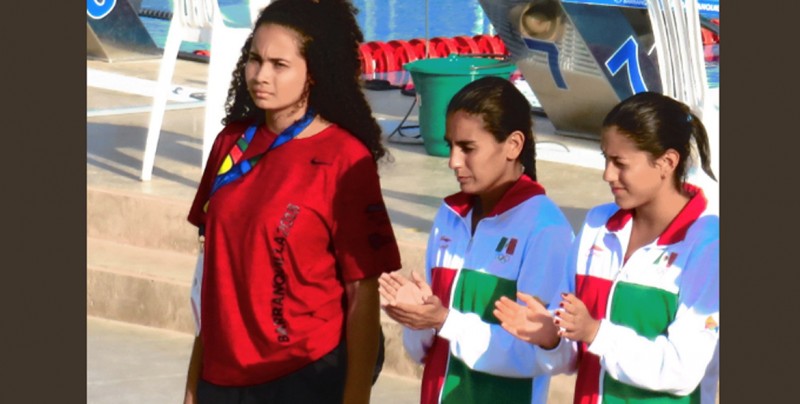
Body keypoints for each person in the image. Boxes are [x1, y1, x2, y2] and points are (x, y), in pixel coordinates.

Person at [182, 1, 402, 403]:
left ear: (313, 71)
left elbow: (361, 293)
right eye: (255, 60)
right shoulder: (231, 144)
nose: (261, 75)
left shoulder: (344, 160)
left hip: (303, 375)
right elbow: (210, 281)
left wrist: (355, 397)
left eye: (279, 65)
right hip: (223, 375)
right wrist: (194, 386)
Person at [493, 91, 719, 403]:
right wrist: (549, 338)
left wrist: (596, 333)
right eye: (605, 159)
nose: (607, 174)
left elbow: (682, 371)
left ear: (667, 162)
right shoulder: (597, 226)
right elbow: (570, 357)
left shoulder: (708, 245)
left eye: (620, 163)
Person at [378, 76, 574, 404]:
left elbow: (537, 357)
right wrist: (417, 319)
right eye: (451, 145)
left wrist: (444, 320)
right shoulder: (450, 217)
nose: (453, 161)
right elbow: (423, 352)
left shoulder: (545, 230)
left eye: (468, 148)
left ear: (513, 145)